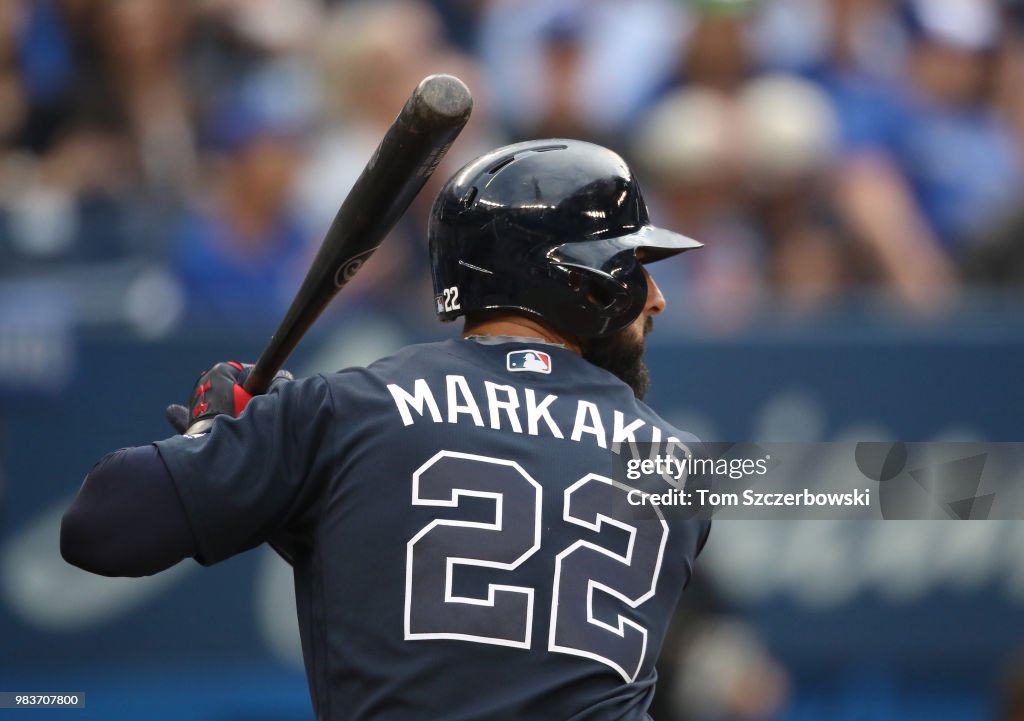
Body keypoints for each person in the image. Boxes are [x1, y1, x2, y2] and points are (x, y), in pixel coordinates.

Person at [60, 139, 711, 721]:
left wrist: (230, 439)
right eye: (634, 267)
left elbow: (99, 528)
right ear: (583, 283)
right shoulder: (677, 467)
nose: (654, 298)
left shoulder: (349, 409)